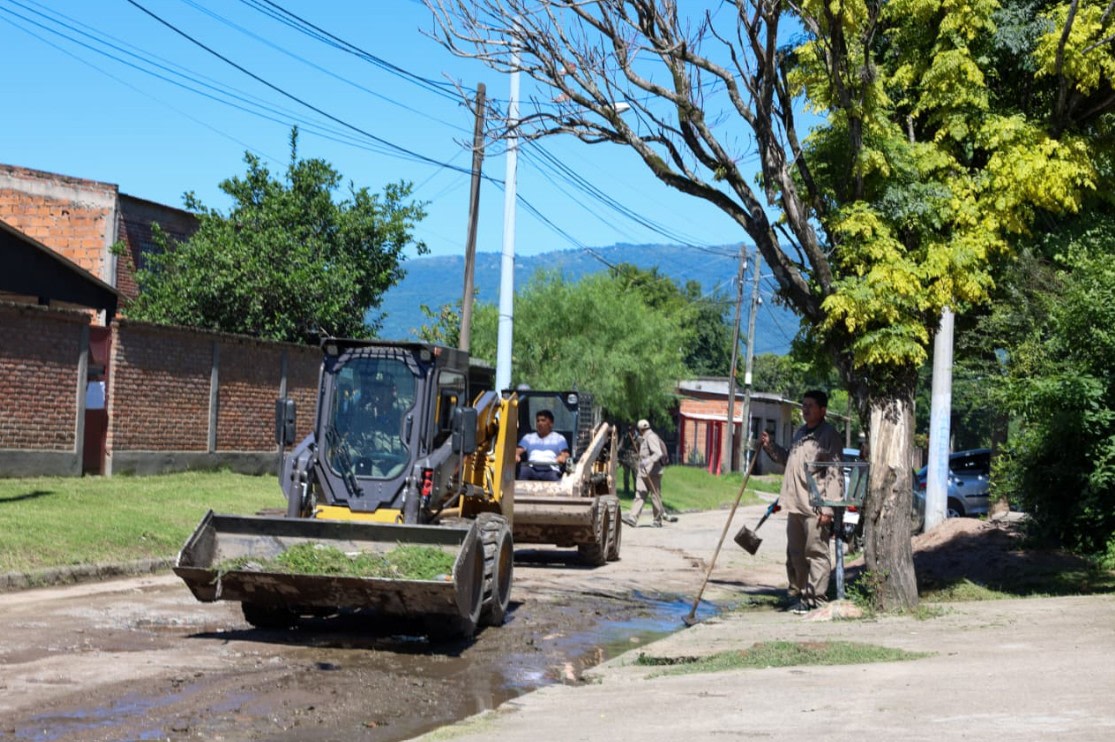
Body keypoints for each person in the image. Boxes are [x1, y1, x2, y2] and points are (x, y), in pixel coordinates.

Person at [760, 390, 843, 614]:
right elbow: (789, 460)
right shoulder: (800, 433)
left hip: (815, 507)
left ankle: (817, 599)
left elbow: (835, 473)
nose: (805, 409)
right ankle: (804, 597)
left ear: (822, 410)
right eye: (803, 405)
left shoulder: (829, 436)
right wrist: (770, 447)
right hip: (795, 505)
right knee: (796, 553)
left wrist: (828, 507)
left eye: (810, 406)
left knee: (816, 553)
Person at [623, 419, 676, 527]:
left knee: (655, 496)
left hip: (654, 472)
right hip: (643, 472)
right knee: (640, 494)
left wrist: (647, 461)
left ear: (641, 429)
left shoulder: (651, 437)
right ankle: (633, 518)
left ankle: (657, 520)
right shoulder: (644, 437)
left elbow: (658, 453)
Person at [517, 409, 570, 481]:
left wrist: (562, 457)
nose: (539, 423)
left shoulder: (559, 438)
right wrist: (516, 455)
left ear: (551, 423)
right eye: (538, 421)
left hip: (551, 469)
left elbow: (565, 454)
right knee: (523, 472)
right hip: (532, 468)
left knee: (555, 478)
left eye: (543, 420)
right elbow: (519, 450)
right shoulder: (528, 437)